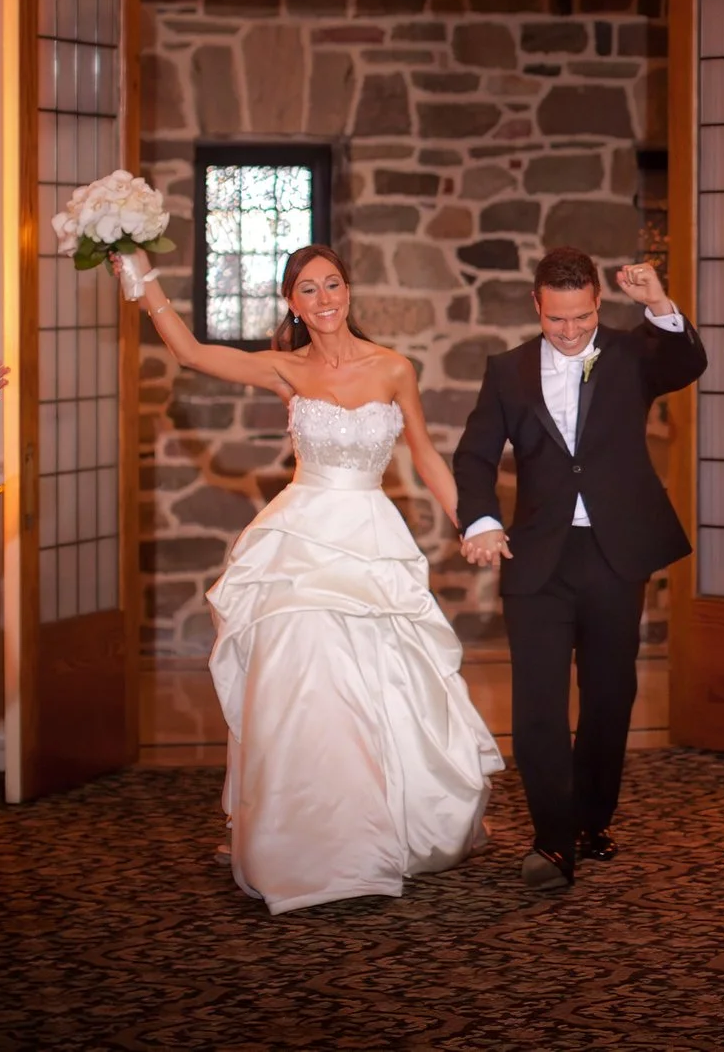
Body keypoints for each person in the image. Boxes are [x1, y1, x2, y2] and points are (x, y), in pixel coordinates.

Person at [122, 242, 502, 913]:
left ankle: (387, 824)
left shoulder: (393, 368)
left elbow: (423, 454)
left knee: (382, 678)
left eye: (332, 285)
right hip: (301, 538)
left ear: (347, 291)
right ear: (292, 304)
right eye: (308, 289)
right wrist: (135, 268)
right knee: (301, 676)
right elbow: (189, 351)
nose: (323, 298)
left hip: (369, 536)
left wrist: (472, 522)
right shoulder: (286, 369)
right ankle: (305, 836)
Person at [452, 248, 703, 888]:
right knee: (537, 704)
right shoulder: (506, 370)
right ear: (536, 305)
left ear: (597, 302)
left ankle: (593, 820)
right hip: (537, 556)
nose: (570, 331)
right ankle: (553, 839)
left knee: (609, 696)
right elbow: (474, 456)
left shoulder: (632, 353)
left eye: (583, 317)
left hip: (615, 553)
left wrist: (658, 303)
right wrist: (481, 521)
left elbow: (688, 363)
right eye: (557, 319)